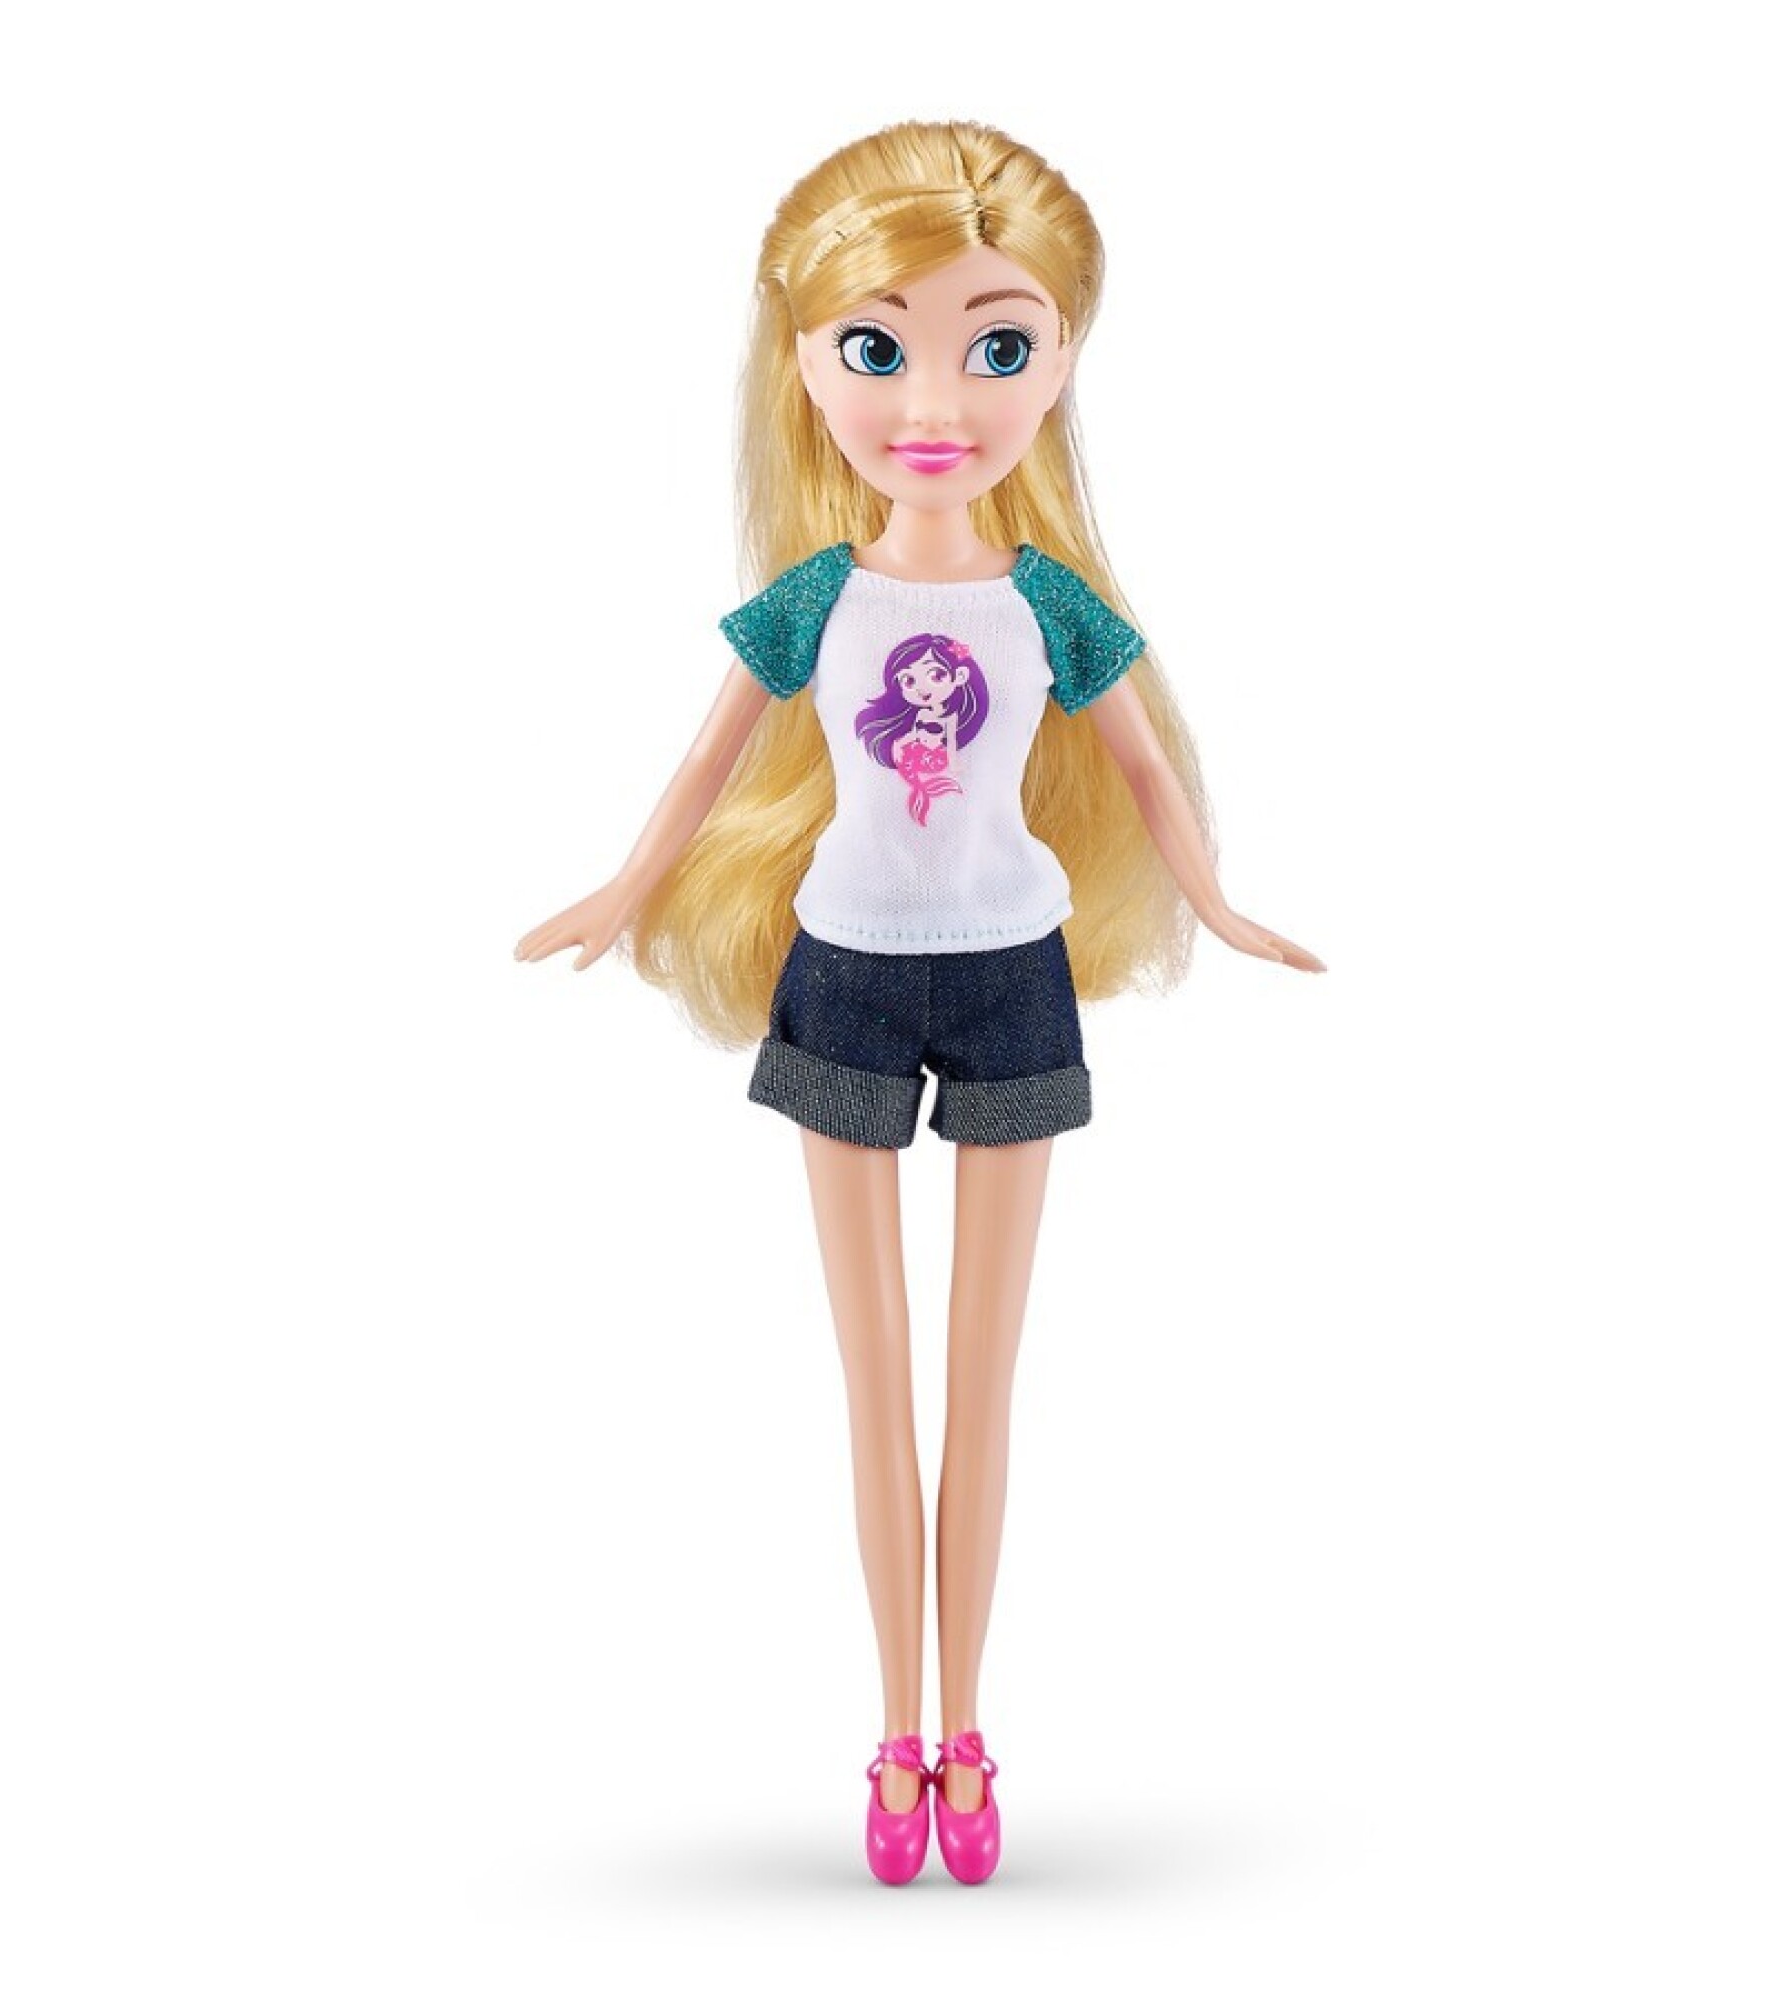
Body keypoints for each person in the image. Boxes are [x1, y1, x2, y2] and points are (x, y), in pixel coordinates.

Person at [514, 118, 1324, 1885]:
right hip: (847, 975)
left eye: (998, 345)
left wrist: (1214, 901)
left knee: (984, 1375)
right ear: (802, 358)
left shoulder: (1055, 603)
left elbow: (1148, 773)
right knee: (875, 1375)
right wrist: (623, 889)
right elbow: (706, 765)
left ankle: (972, 1729)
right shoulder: (815, 595)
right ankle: (900, 1740)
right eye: (877, 349)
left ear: (1063, 359)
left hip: (1019, 974)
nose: (937, 400)